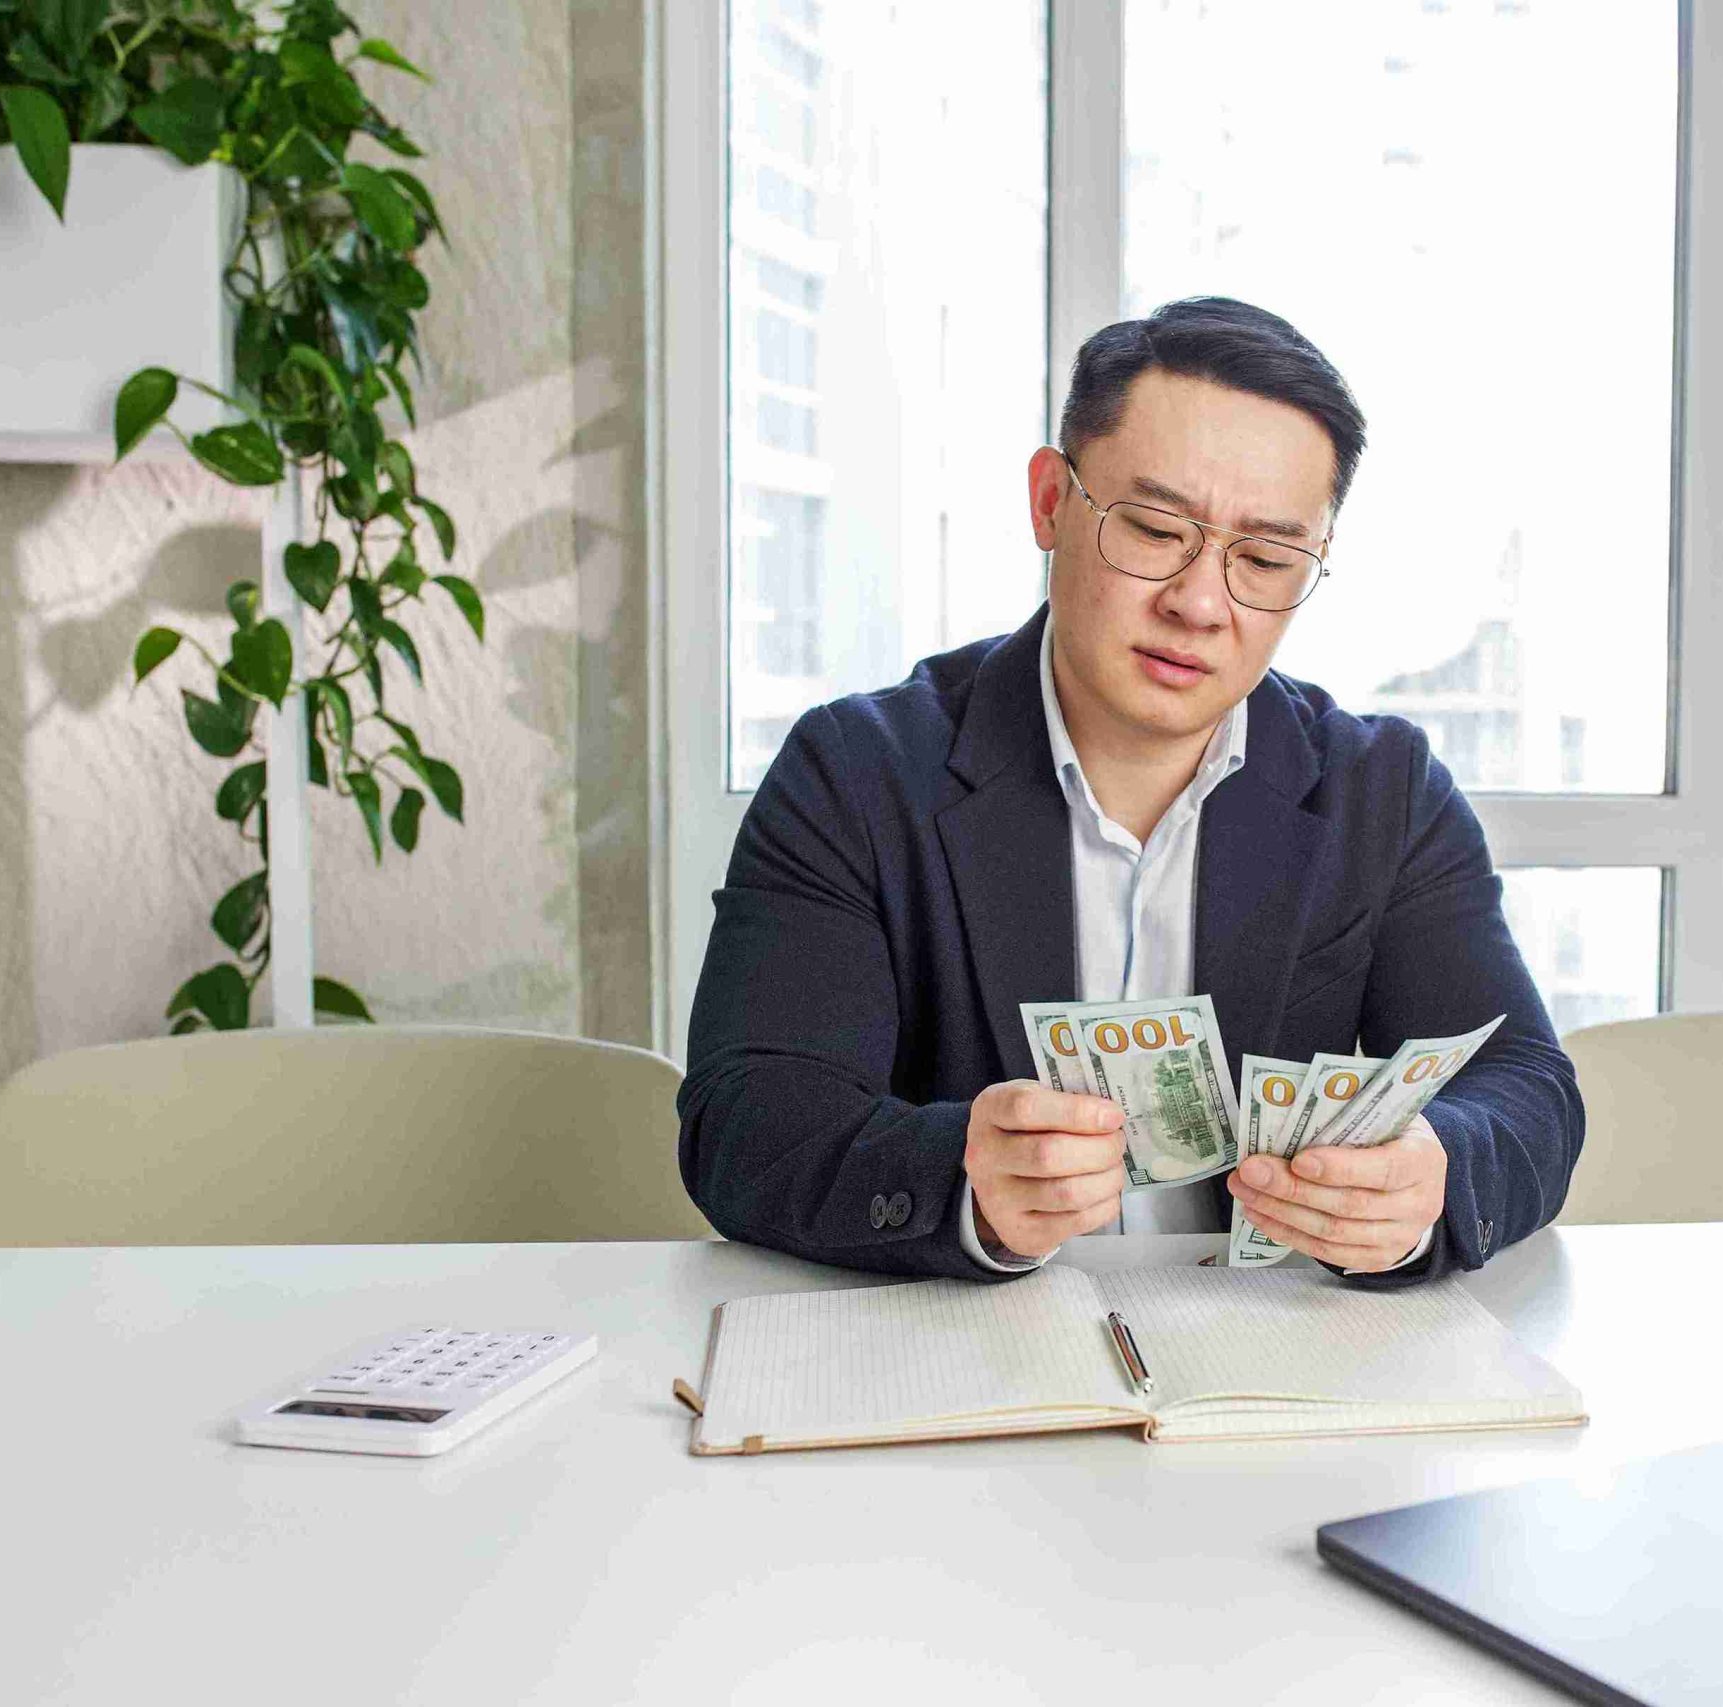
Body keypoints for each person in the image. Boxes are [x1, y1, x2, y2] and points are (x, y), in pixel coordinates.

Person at [679, 296, 1584, 1285]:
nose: (1199, 603)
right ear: (1049, 502)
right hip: (955, 1341)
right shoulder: (856, 773)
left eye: (1265, 560)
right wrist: (958, 1181)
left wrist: (1429, 1177)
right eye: (1154, 531)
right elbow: (745, 1118)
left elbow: (1527, 1088)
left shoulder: (1382, 793)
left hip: (1269, 1347)